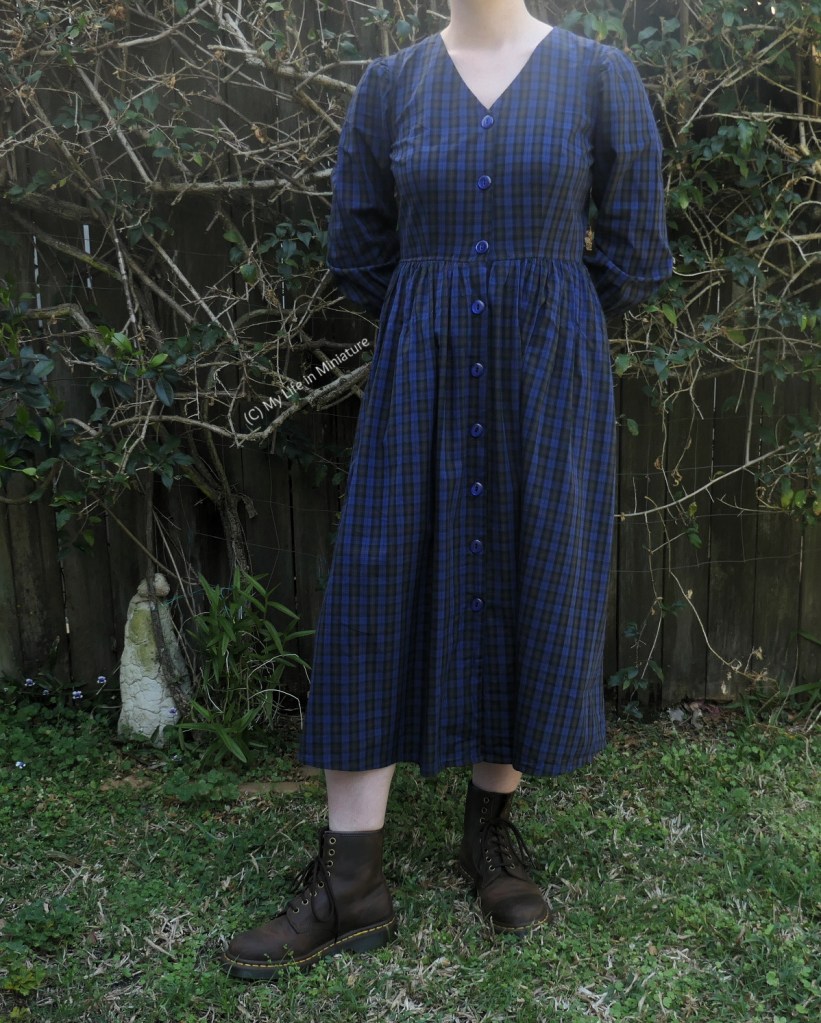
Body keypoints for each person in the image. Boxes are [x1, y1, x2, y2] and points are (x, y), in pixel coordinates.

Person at [221, 0, 672, 979]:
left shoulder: (600, 78)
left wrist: (538, 318)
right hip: (415, 378)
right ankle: (350, 884)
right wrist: (443, 314)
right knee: (373, 596)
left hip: (547, 382)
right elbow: (358, 248)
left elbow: (637, 253)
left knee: (528, 574)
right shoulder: (388, 87)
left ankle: (488, 837)